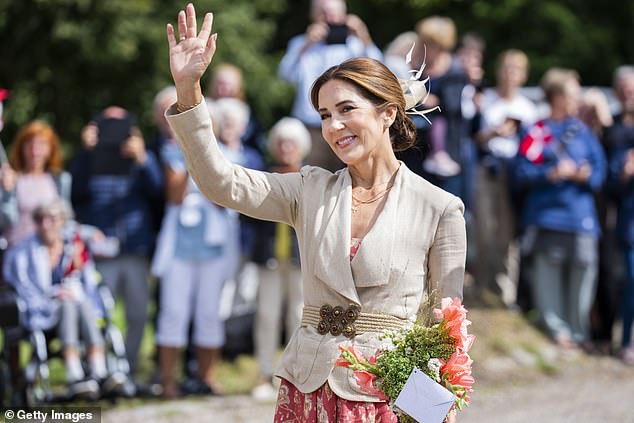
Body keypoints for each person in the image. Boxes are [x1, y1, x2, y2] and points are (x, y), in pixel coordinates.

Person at [164, 5, 465, 421]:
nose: (333, 126)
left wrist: (435, 413)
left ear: (387, 112)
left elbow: (444, 328)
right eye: (324, 115)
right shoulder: (310, 189)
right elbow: (221, 182)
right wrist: (188, 90)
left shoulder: (440, 208)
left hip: (389, 400)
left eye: (346, 109)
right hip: (306, 392)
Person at [513, 68, 606, 352]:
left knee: (583, 276)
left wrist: (584, 175)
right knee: (547, 277)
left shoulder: (585, 134)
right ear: (556, 96)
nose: (576, 99)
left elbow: (601, 174)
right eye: (571, 94)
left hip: (581, 218)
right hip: (546, 216)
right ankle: (556, 331)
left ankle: (579, 332)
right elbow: (520, 172)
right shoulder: (537, 131)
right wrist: (549, 174)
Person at [70, 106, 164, 381]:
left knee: (137, 314)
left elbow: (158, 193)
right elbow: (75, 193)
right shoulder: (89, 157)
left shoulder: (139, 155)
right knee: (98, 316)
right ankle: (98, 369)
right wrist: (86, 154)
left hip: (135, 248)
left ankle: (129, 369)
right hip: (101, 252)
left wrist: (143, 159)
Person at [3, 199, 124, 398]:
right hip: (42, 309)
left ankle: (99, 371)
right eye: (41, 219)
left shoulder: (73, 247)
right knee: (69, 304)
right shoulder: (24, 252)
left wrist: (72, 288)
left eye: (51, 219)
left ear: (62, 222)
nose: (45, 224)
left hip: (79, 306)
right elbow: (23, 288)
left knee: (79, 302)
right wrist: (54, 294)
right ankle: (75, 373)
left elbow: (89, 282)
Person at [278, 0, 382, 172]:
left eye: (334, 13)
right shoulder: (300, 44)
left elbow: (378, 72)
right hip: (310, 126)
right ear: (313, 16)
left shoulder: (355, 44)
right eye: (323, 13)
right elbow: (285, 76)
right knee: (313, 178)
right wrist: (306, 45)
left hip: (348, 124)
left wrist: (364, 37)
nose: (329, 18)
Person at [250, 117, 310, 402]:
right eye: (281, 142)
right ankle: (264, 373)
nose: (286, 148)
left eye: (292, 143)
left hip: (302, 259)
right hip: (270, 257)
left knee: (299, 315)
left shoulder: (310, 178)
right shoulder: (264, 175)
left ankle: (293, 375)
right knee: (266, 314)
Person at [474, 49, 538, 304]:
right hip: (488, 168)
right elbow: (475, 137)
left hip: (515, 173)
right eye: (506, 68)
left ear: (523, 76)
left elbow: (535, 146)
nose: (510, 74)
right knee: (484, 229)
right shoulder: (487, 100)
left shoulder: (528, 108)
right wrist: (494, 133)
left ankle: (504, 293)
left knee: (508, 234)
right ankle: (481, 287)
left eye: (516, 69)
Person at [0, 121, 71, 246]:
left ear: (50, 149)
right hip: (19, 250)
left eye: (41, 144)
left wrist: (88, 233)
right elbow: (5, 221)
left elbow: (66, 220)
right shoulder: (12, 179)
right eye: (29, 143)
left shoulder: (60, 180)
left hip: (49, 254)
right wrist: (6, 193)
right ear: (21, 148)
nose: (35, 150)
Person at [606, 65, 634, 364]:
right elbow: (611, 182)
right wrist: (625, 173)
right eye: (624, 88)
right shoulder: (613, 129)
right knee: (631, 280)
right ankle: (626, 340)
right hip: (628, 219)